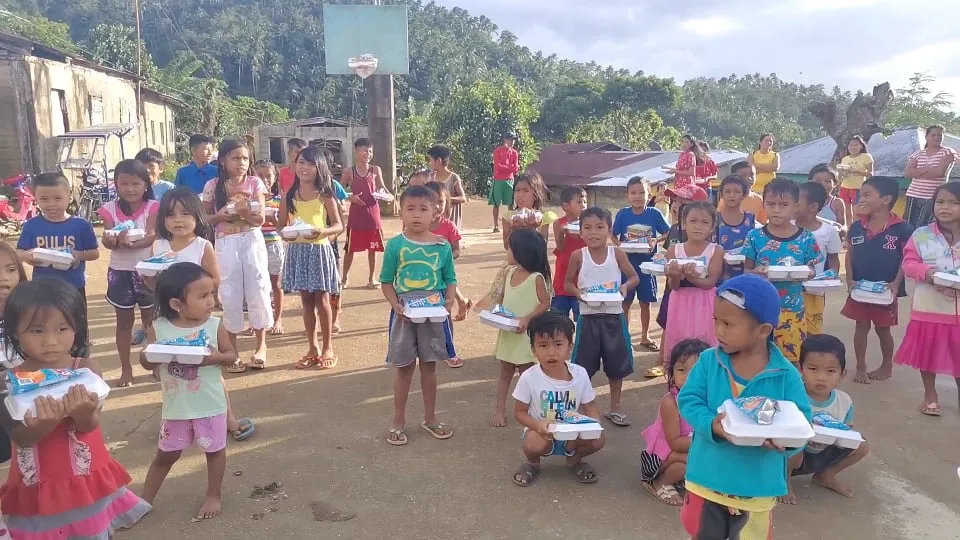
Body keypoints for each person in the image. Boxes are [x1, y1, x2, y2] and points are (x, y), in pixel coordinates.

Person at [0, 280, 151, 537]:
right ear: (15, 332)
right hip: (38, 490)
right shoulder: (8, 381)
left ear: (76, 327)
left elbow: (89, 425)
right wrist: (44, 424)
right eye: (37, 331)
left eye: (62, 328)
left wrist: (82, 412)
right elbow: (18, 436)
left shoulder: (86, 370)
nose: (50, 341)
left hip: (84, 484)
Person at [677, 274, 811, 539]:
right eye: (716, 320)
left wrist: (786, 441)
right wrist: (711, 424)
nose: (719, 331)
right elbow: (689, 400)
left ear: (762, 330)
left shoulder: (785, 374)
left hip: (756, 488)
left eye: (728, 324)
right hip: (707, 479)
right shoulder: (709, 361)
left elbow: (802, 421)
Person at [151, 188, 256, 442]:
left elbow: (215, 279)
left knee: (209, 373)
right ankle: (178, 420)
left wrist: (192, 287)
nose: (178, 220)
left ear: (197, 216)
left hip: (197, 320)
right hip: (169, 316)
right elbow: (153, 282)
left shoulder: (202, 245)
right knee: (171, 372)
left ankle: (227, 418)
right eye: (171, 214)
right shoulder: (159, 245)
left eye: (185, 213)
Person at [139, 263, 240, 520]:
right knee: (166, 454)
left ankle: (213, 494)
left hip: (210, 405)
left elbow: (231, 355)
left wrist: (215, 357)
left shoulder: (214, 325)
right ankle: (144, 500)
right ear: (177, 304)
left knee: (214, 451)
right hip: (176, 407)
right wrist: (148, 355)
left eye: (212, 293)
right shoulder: (159, 327)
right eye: (203, 296)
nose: (211, 301)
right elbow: (148, 362)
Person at [380, 185, 457, 446]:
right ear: (400, 212)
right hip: (404, 315)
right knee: (403, 369)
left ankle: (431, 418)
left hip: (434, 315)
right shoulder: (395, 245)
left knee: (430, 367)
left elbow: (450, 278)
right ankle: (398, 420)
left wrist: (449, 300)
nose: (416, 214)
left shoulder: (442, 246)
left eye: (423, 209)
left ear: (435, 213)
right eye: (410, 208)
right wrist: (395, 305)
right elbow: (386, 281)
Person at [510, 310, 606, 487]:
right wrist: (537, 425)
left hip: (572, 434)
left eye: (558, 344)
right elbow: (519, 413)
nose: (551, 352)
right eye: (543, 345)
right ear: (533, 350)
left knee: (599, 438)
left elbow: (589, 405)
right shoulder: (529, 377)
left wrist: (594, 425)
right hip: (541, 433)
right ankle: (532, 463)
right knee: (533, 442)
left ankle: (575, 460)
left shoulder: (580, 374)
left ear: (569, 347)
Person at [565, 207, 640, 427]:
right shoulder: (578, 256)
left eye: (599, 227)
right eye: (587, 228)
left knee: (616, 366)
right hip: (588, 318)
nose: (593, 232)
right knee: (582, 366)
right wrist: (578, 293)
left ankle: (615, 408)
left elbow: (634, 277)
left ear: (609, 230)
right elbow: (567, 283)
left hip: (613, 317)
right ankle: (581, 408)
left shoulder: (617, 254)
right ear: (580, 232)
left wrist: (625, 287)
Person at [202, 140, 273, 371]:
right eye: (235, 158)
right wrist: (221, 216)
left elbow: (260, 220)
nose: (241, 163)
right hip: (226, 242)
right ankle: (232, 350)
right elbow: (203, 219)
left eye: (244, 158)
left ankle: (261, 346)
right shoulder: (213, 185)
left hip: (251, 240)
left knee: (258, 288)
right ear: (223, 160)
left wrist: (245, 213)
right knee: (230, 293)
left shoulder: (254, 183)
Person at [894, 182, 960, 416]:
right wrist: (928, 273)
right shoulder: (921, 234)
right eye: (940, 202)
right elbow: (908, 263)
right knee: (928, 353)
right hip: (929, 306)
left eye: (954, 202)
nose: (945, 207)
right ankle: (930, 396)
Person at [743, 177, 823, 364]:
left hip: (792, 311)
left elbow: (812, 270)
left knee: (791, 361)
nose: (776, 209)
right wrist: (754, 273)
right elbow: (744, 270)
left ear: (796, 206)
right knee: (757, 359)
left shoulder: (806, 238)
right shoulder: (754, 236)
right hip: (759, 311)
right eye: (771, 204)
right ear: (764, 204)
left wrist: (807, 273)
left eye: (783, 204)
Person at [842, 176, 913, 384]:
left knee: (883, 329)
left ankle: (886, 366)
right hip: (860, 288)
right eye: (860, 195)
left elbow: (906, 258)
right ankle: (861, 368)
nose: (861, 199)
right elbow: (850, 254)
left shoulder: (902, 228)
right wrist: (850, 279)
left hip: (885, 290)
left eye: (867, 195)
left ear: (886, 199)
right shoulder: (857, 226)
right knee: (861, 326)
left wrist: (896, 284)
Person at [783, 334, 870, 504]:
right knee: (795, 443)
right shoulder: (793, 396)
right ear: (800, 369)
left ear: (842, 374)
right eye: (813, 369)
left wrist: (847, 432)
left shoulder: (844, 401)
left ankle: (825, 475)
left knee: (862, 445)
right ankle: (785, 481)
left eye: (830, 371)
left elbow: (846, 431)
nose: (821, 377)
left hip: (824, 450)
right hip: (792, 456)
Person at [280, 146, 343, 369]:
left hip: (319, 250)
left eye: (310, 164)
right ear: (294, 165)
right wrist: (286, 234)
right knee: (306, 301)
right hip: (297, 251)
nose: (304, 168)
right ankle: (312, 347)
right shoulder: (288, 195)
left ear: (320, 167)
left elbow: (338, 225)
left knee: (322, 300)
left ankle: (328, 347)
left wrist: (322, 232)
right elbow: (281, 225)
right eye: (301, 163)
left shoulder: (325, 194)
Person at [98, 159, 159, 387]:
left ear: (145, 184)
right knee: (123, 323)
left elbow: (152, 235)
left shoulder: (153, 206)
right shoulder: (109, 209)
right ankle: (126, 368)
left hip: (148, 272)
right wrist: (114, 241)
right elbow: (107, 239)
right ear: (116, 185)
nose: (130, 189)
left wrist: (132, 243)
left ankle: (154, 364)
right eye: (124, 184)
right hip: (119, 273)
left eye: (135, 184)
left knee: (150, 321)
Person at [491, 229, 552, 427]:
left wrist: (527, 318)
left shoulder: (536, 278)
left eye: (510, 248)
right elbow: (503, 301)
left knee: (528, 375)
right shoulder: (509, 273)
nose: (507, 252)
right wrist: (497, 315)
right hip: (508, 334)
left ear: (521, 251)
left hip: (526, 336)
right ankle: (499, 409)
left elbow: (545, 303)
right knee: (505, 373)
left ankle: (531, 411)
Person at [641, 338, 709, 506]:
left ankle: (687, 476)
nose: (687, 377)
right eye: (681, 370)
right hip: (659, 459)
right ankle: (660, 482)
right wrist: (710, 442)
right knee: (698, 460)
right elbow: (675, 443)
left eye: (695, 370)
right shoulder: (670, 402)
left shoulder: (709, 399)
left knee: (709, 458)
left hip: (691, 449)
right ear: (671, 372)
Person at [650, 183, 708, 378]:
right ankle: (665, 362)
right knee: (668, 323)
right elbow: (668, 255)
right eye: (675, 201)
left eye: (683, 203)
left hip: (697, 292)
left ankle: (693, 368)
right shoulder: (674, 228)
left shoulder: (700, 234)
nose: (675, 206)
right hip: (674, 288)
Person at [15, 172, 99, 298]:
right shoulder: (31, 226)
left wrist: (79, 255)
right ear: (36, 199)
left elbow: (94, 253)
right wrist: (27, 256)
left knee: (75, 312)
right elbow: (18, 253)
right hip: (42, 286)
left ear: (69, 197)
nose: (51, 204)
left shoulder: (81, 225)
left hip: (73, 286)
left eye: (57, 198)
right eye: (44, 199)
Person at [612, 178, 670, 350]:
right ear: (627, 195)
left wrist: (655, 240)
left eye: (641, 193)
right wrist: (619, 245)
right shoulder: (623, 214)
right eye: (633, 193)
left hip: (647, 266)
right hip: (627, 266)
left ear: (649, 195)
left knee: (645, 302)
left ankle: (645, 336)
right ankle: (625, 336)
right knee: (626, 302)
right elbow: (613, 235)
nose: (637, 196)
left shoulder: (654, 214)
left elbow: (667, 232)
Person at [663, 202, 723, 360]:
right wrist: (675, 275)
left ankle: (707, 372)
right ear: (684, 224)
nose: (698, 226)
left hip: (706, 303)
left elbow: (710, 283)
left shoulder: (716, 250)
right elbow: (673, 286)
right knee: (679, 340)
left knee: (706, 341)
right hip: (679, 303)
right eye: (693, 221)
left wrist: (690, 277)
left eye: (705, 222)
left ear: (712, 227)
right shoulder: (674, 250)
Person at [425, 181, 471, 369]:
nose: (437, 206)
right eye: (432, 201)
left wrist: (446, 257)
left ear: (447, 204)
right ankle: (427, 349)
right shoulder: (418, 225)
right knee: (424, 316)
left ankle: (449, 351)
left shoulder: (449, 227)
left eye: (441, 202)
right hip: (421, 281)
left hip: (443, 280)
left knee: (444, 314)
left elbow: (457, 250)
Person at [797, 182, 843, 336]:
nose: (792, 205)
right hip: (788, 287)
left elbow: (834, 259)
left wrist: (831, 279)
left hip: (814, 290)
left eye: (797, 202)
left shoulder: (828, 231)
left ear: (813, 206)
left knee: (813, 330)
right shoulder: (786, 226)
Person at [342, 138, 387, 289]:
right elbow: (338, 190)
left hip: (373, 215)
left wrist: (383, 194)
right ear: (356, 151)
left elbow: (382, 187)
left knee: (373, 249)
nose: (368, 154)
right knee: (350, 249)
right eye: (365, 151)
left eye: (370, 151)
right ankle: (344, 278)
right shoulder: (349, 171)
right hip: (356, 216)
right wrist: (350, 197)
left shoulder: (376, 170)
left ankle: (372, 278)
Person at [904, 125, 956, 229]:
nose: (936, 137)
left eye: (939, 135)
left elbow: (939, 172)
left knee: (923, 226)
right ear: (926, 137)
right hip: (913, 194)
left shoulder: (947, 152)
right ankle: (908, 240)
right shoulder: (918, 154)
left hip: (931, 196)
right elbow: (908, 173)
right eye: (933, 135)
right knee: (908, 225)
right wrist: (928, 169)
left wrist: (917, 172)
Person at [255, 159, 286, 336]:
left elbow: (283, 227)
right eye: (260, 175)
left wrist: (273, 220)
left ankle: (278, 319)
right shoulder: (250, 200)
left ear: (275, 177)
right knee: (256, 285)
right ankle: (258, 322)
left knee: (276, 284)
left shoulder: (279, 200)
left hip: (273, 244)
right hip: (254, 245)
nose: (264, 179)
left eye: (268, 176)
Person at [552, 186, 588, 320]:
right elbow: (560, 248)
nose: (583, 205)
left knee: (582, 319)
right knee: (558, 319)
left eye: (585, 202)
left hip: (582, 278)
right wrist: (561, 232)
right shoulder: (559, 224)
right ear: (566, 206)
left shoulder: (588, 224)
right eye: (579, 202)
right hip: (563, 277)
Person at [715, 174, 756, 282]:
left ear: (744, 194)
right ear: (721, 194)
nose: (732, 195)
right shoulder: (714, 218)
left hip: (744, 274)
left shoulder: (750, 219)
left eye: (737, 192)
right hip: (719, 274)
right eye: (727, 192)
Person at [427, 145, 466, 228]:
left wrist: (445, 199)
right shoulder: (430, 177)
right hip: (434, 223)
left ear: (438, 160)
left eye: (430, 160)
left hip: (451, 223)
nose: (429, 163)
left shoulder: (454, 178)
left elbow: (463, 198)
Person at [490, 133, 520, 232]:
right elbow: (497, 166)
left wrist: (508, 168)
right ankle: (496, 225)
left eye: (513, 140)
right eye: (510, 139)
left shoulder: (514, 153)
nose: (512, 142)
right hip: (498, 180)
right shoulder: (498, 151)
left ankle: (511, 224)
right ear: (505, 140)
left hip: (510, 180)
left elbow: (516, 168)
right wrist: (510, 168)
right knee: (496, 203)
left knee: (510, 203)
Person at [838, 135, 874, 209]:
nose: (853, 147)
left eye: (856, 145)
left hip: (858, 188)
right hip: (844, 187)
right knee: (845, 210)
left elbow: (870, 174)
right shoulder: (845, 159)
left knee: (857, 210)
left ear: (861, 146)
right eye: (851, 145)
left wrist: (855, 171)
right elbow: (840, 177)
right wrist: (841, 173)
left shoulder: (866, 156)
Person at [809, 164, 847, 231]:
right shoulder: (804, 201)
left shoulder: (837, 203)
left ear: (835, 184)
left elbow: (843, 227)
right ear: (810, 182)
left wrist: (841, 230)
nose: (823, 184)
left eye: (828, 181)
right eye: (818, 181)